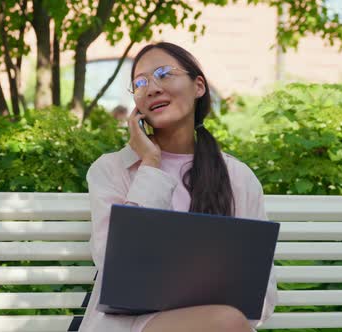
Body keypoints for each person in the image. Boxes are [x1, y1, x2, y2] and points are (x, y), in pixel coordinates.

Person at [79, 42, 277, 332]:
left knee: (226, 321)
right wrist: (150, 163)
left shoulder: (237, 177)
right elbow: (117, 269)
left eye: (164, 73)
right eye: (140, 82)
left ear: (198, 86)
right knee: (226, 321)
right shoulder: (111, 170)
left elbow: (264, 293)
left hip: (218, 326)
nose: (152, 87)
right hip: (129, 326)